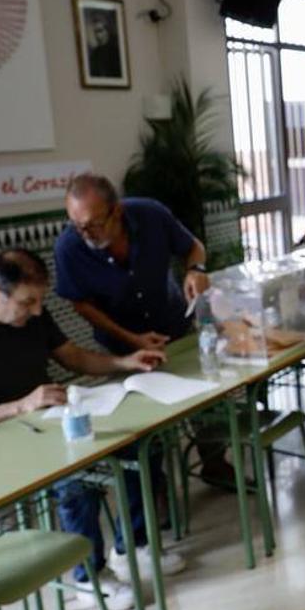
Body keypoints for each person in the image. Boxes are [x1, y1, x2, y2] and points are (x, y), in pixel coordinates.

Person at [0, 250, 178, 610]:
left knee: (141, 444)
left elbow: (74, 358)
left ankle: (132, 545)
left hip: (47, 424)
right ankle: (89, 577)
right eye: (28, 302)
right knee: (76, 476)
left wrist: (124, 361)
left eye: (41, 300)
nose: (38, 311)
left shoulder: (33, 319)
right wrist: (20, 405)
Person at [53, 174, 235, 486]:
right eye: (76, 224)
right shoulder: (69, 247)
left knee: (207, 396)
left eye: (94, 224)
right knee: (146, 417)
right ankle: (157, 489)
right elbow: (81, 304)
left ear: (117, 212)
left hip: (173, 321)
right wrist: (130, 340)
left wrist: (196, 269)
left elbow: (193, 247)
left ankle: (214, 463)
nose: (85, 233)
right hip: (123, 340)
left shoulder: (150, 214)